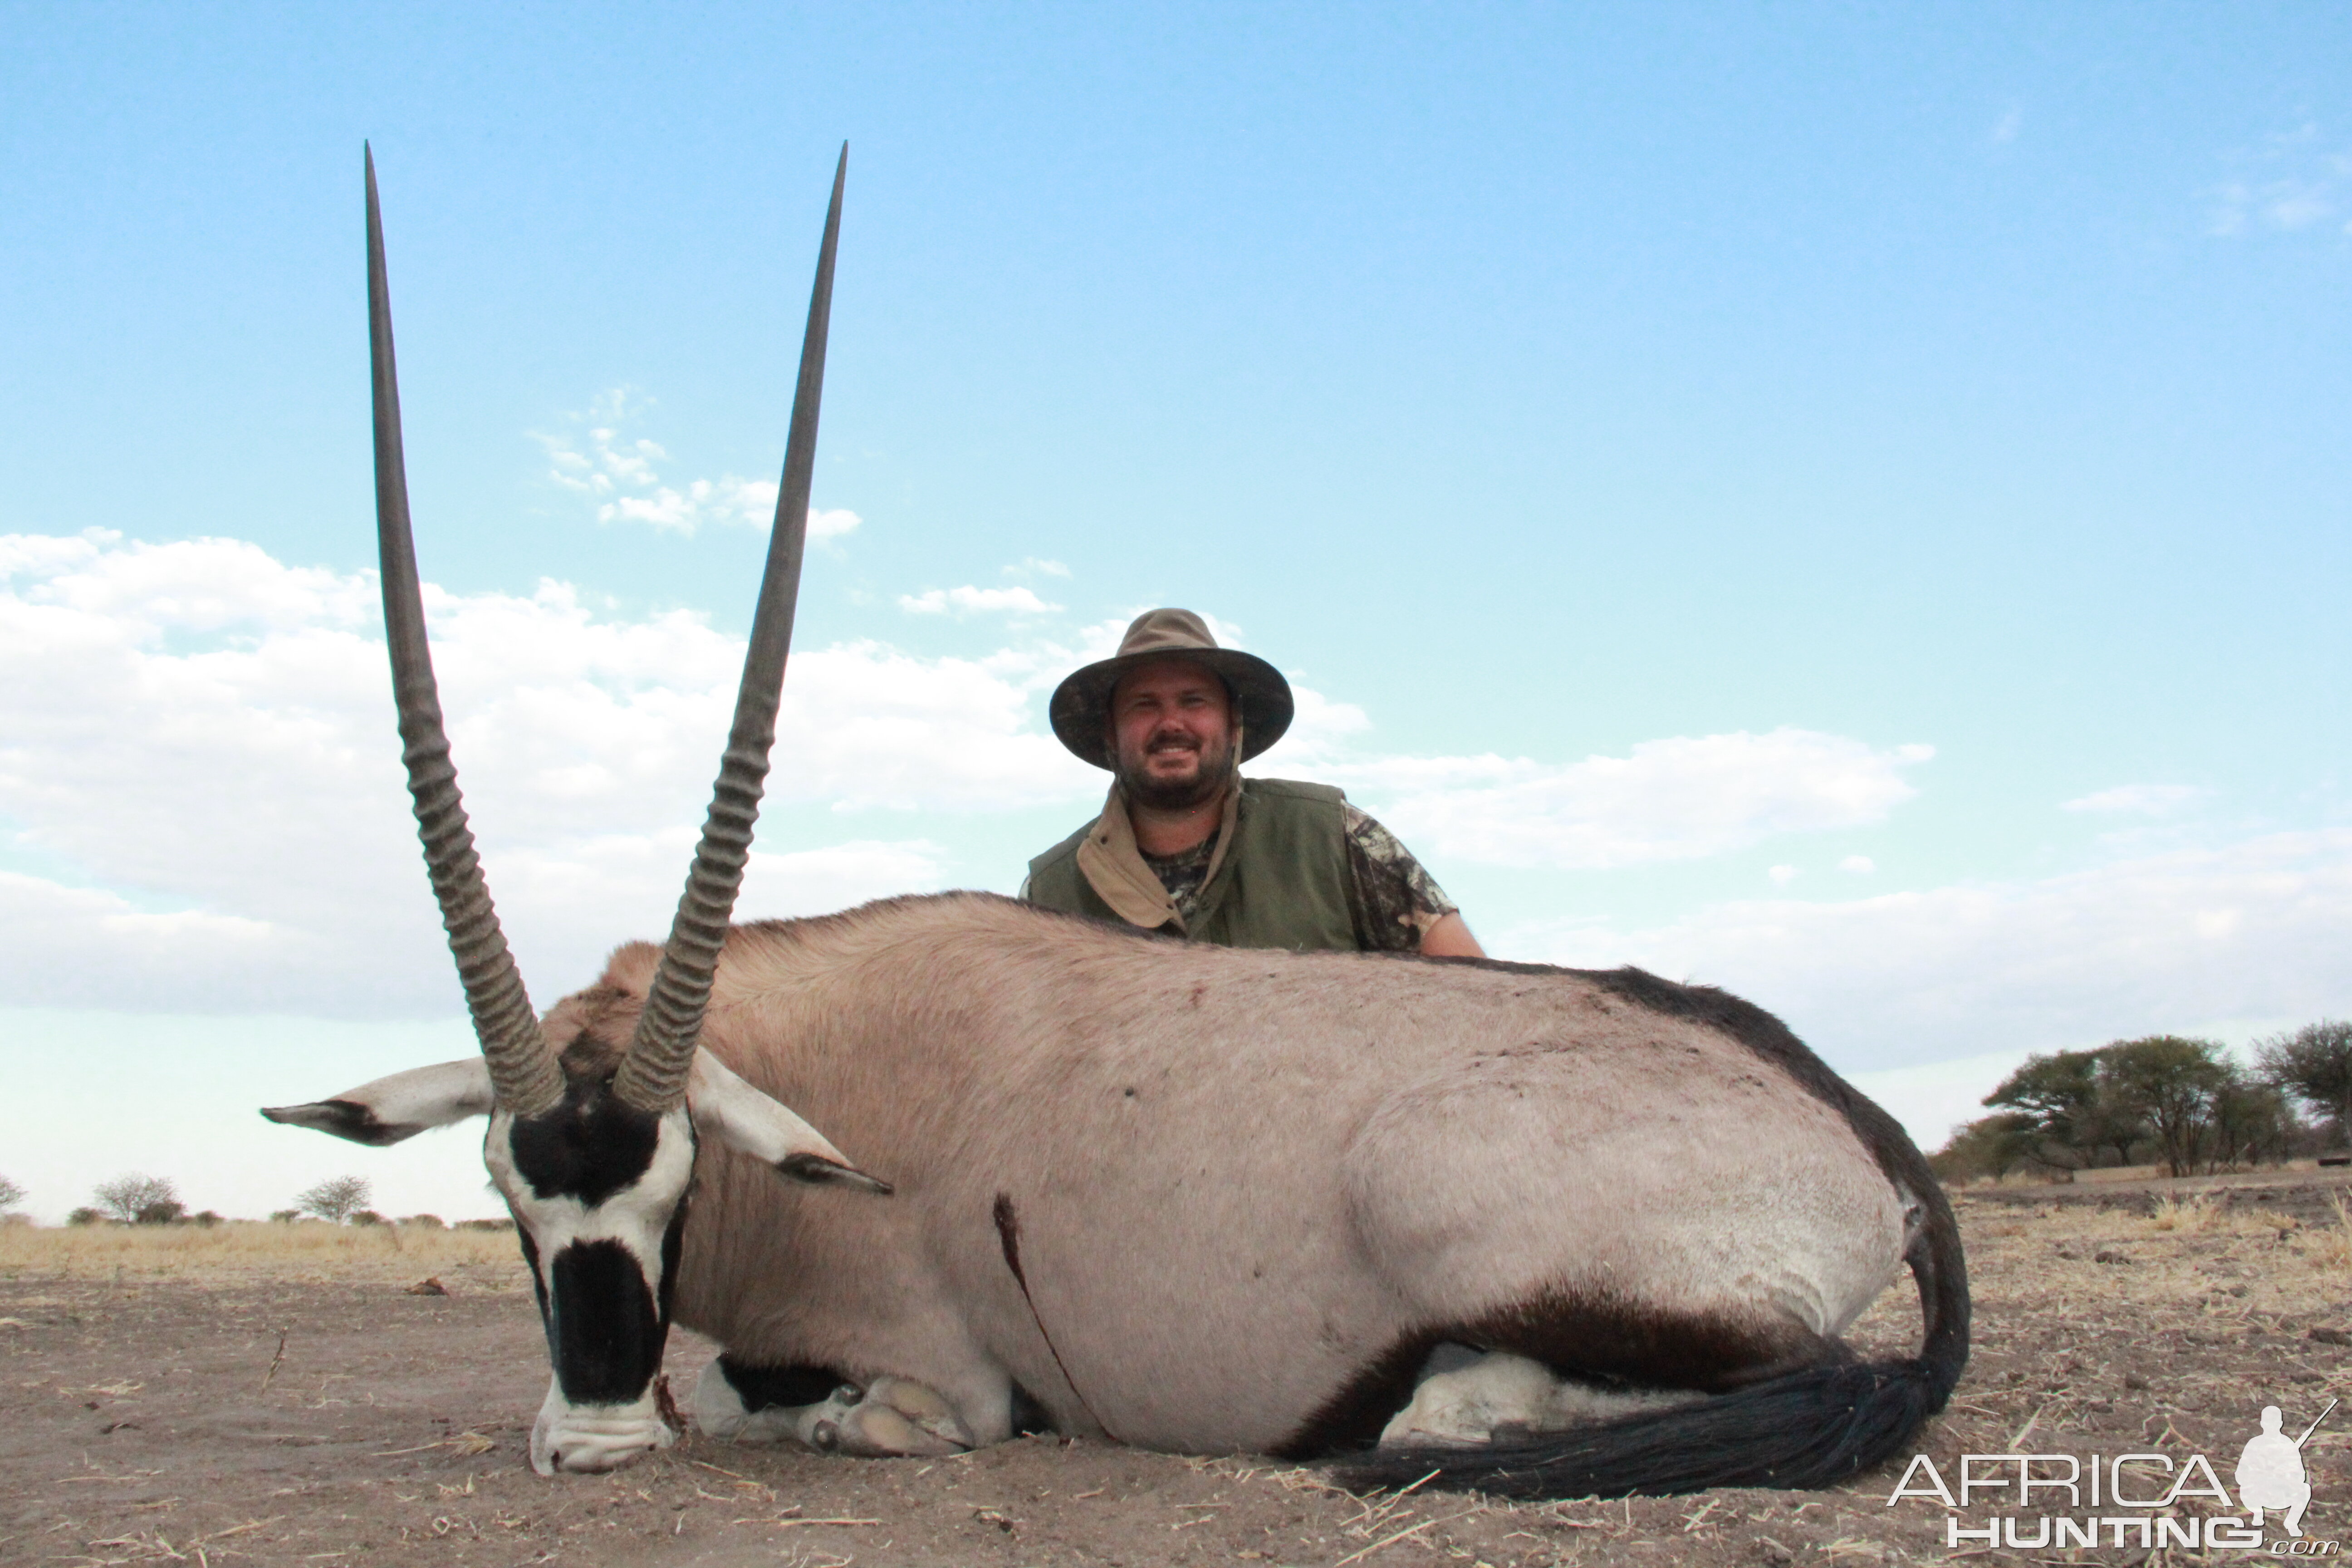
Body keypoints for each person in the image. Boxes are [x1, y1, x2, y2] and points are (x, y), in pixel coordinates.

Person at [1023, 608, 1485, 956]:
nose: (1171, 723)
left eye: (1194, 701)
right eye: (1143, 706)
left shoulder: (1336, 839)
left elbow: (1478, 997)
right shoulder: (1048, 895)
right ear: (1111, 733)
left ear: (1233, 724)